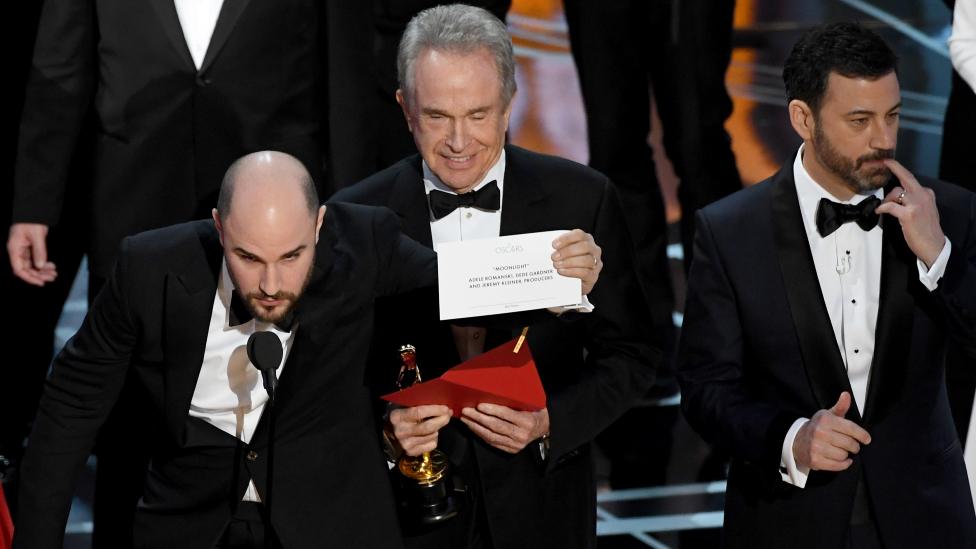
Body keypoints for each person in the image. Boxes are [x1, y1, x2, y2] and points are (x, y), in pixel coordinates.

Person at [333, 5, 661, 548]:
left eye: (479, 115)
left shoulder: (582, 198)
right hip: (406, 515)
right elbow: (328, 377)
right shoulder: (353, 217)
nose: (459, 142)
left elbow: (633, 355)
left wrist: (551, 422)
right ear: (405, 109)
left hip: (542, 507)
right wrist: (386, 432)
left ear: (510, 106)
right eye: (437, 116)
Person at [677, 22, 976, 548]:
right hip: (788, 520)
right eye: (859, 120)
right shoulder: (729, 231)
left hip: (925, 521)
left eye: (893, 116)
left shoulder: (949, 213)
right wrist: (792, 438)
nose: (883, 139)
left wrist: (940, 257)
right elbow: (706, 390)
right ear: (802, 118)